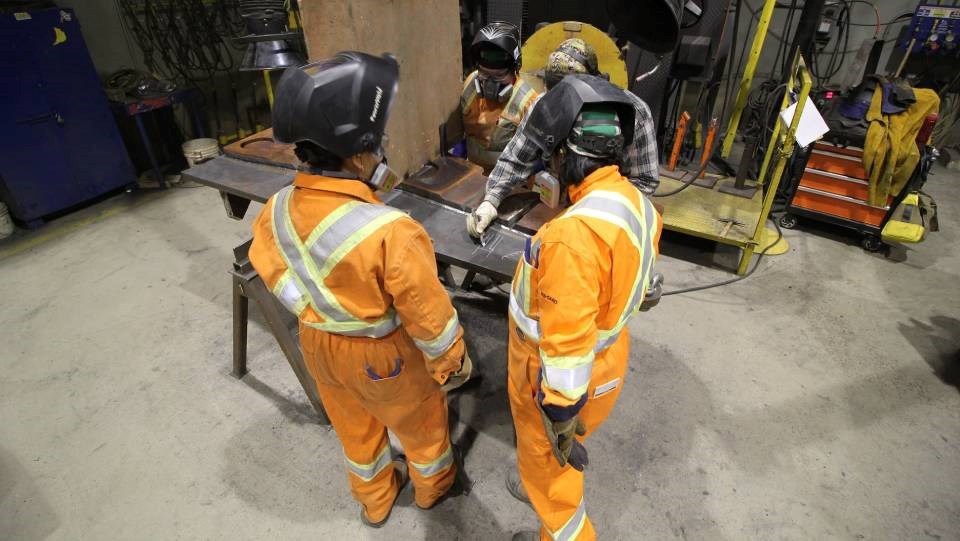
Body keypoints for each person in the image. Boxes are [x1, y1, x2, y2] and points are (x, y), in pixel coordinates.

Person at [248, 52, 471, 528]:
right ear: (356, 154)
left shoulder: (278, 207)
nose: (382, 151)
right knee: (421, 424)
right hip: (383, 357)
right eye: (378, 142)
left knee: (355, 430)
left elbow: (270, 268)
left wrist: (318, 312)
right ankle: (433, 488)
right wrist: (451, 360)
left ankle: (375, 500)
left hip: (319, 346)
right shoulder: (393, 230)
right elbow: (428, 316)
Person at [503, 74, 663, 541]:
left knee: (553, 480)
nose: (544, 168)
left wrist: (560, 415)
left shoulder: (571, 237)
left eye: (548, 157)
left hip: (556, 384)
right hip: (608, 360)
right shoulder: (635, 202)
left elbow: (567, 345)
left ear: (566, 156)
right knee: (555, 468)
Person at [467, 38, 660, 238]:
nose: (560, 104)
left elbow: (645, 180)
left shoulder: (633, 112)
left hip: (610, 213)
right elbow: (516, 160)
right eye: (556, 94)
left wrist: (599, 212)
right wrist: (491, 200)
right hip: (559, 206)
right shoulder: (546, 105)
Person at [460, 21, 539, 171]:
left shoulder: (528, 102)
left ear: (514, 69)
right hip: (471, 175)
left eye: (499, 75)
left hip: (509, 183)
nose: (490, 82)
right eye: (483, 73)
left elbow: (534, 158)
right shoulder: (471, 83)